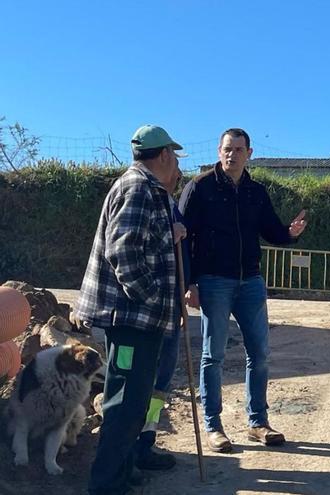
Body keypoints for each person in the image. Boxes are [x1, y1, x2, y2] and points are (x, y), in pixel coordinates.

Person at [179, 128, 307, 453]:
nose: (231, 154)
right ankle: (213, 426)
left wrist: (290, 234)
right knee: (213, 356)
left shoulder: (256, 192)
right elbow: (182, 238)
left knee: (260, 354)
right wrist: (188, 283)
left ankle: (258, 423)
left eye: (238, 149)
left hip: (251, 282)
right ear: (219, 151)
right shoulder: (200, 188)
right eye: (226, 149)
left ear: (249, 152)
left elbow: (271, 230)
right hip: (214, 281)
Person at [75, 125, 184, 495]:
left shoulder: (144, 189)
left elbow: (141, 241)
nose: (176, 165)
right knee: (124, 405)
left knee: (133, 402)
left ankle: (120, 472)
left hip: (138, 319)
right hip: (131, 320)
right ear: (165, 154)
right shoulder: (138, 188)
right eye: (175, 157)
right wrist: (152, 297)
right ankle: (106, 484)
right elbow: (123, 252)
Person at [132, 168, 188, 472]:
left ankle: (147, 440)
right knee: (140, 384)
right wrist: (171, 233)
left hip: (171, 312)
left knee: (160, 386)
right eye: (176, 168)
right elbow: (133, 250)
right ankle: (128, 447)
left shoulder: (171, 205)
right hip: (148, 314)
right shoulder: (145, 199)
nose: (179, 174)